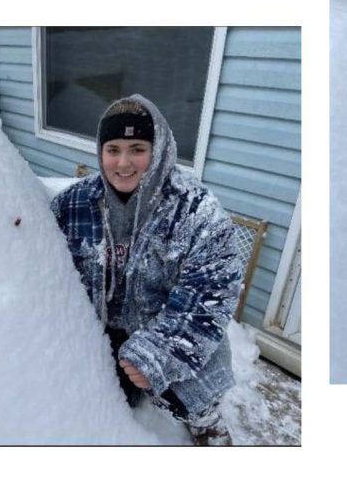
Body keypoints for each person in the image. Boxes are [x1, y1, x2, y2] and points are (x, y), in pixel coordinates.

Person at [51, 94, 241, 445]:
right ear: (100, 150)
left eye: (137, 148)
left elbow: (210, 297)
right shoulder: (73, 205)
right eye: (113, 149)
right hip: (102, 334)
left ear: (159, 149)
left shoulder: (198, 214)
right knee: (103, 406)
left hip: (168, 334)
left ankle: (205, 419)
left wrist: (157, 352)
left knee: (191, 398)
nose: (123, 164)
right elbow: (43, 262)